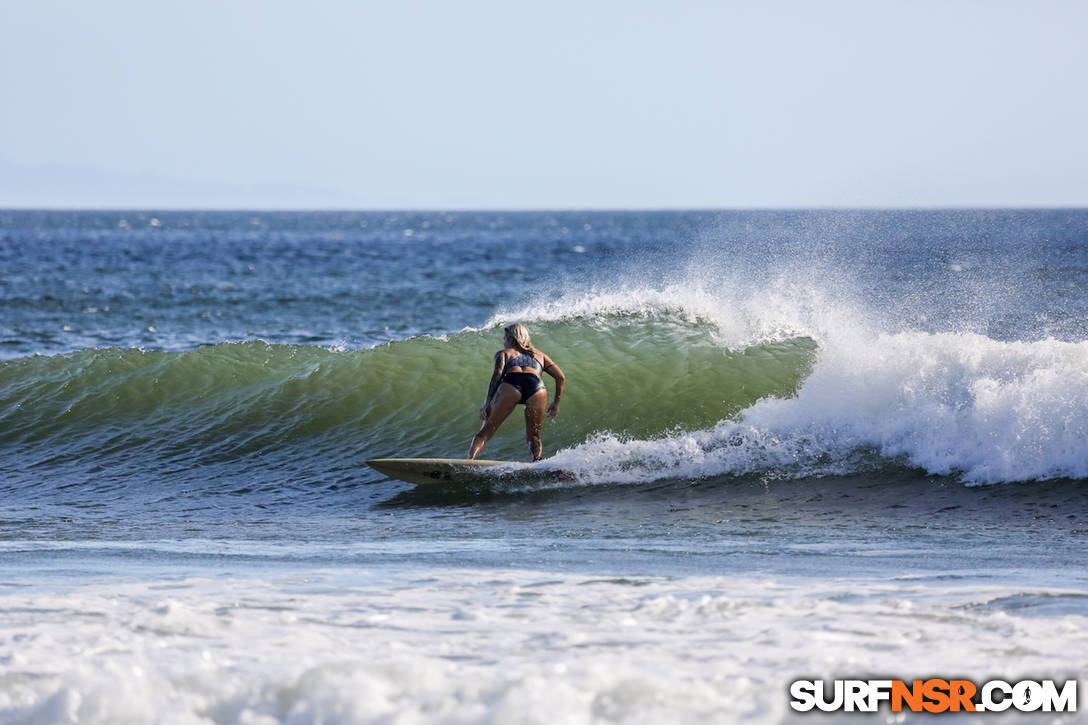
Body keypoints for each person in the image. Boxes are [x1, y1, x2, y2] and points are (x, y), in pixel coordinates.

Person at [467, 323, 565, 461]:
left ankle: (469, 461)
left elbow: (497, 376)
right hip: (536, 387)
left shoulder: (504, 353)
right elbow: (560, 377)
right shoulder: (540, 355)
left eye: (505, 338)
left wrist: (487, 403)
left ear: (512, 339)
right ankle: (537, 459)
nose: (504, 341)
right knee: (534, 436)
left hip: (511, 384)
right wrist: (556, 403)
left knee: (484, 433)